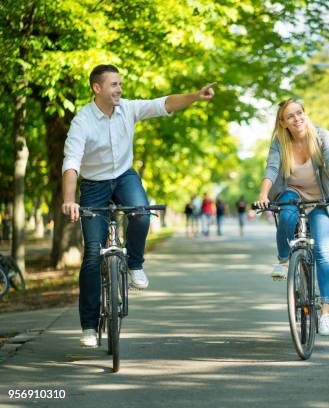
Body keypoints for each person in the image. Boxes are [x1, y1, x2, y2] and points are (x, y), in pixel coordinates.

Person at [61, 64, 216, 348]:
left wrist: (195, 95)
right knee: (93, 254)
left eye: (120, 84)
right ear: (97, 88)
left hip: (124, 177)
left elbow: (164, 103)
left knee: (142, 215)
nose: (119, 89)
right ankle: (88, 327)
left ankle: (134, 264)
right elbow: (71, 162)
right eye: (114, 85)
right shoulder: (82, 121)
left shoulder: (128, 108)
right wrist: (69, 200)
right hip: (93, 185)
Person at [254, 98, 329, 336]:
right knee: (286, 214)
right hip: (292, 192)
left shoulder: (321, 135)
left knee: (322, 252)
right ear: (283, 123)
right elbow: (271, 168)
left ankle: (325, 312)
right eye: (290, 116)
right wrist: (263, 194)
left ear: (305, 114)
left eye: (299, 113)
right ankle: (283, 260)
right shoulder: (279, 143)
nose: (297, 118)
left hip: (321, 195)